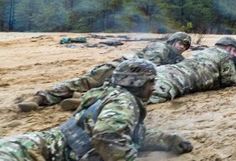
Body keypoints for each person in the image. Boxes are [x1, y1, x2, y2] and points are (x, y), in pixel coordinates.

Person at [0, 59, 193, 161]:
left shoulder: (112, 94)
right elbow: (107, 135)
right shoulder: (122, 101)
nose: (154, 88)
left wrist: (167, 140)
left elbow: (128, 133)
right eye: (151, 83)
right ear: (137, 83)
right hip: (33, 156)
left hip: (38, 152)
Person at [16, 32, 192, 112]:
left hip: (131, 73)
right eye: (180, 43)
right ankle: (41, 98)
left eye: (185, 46)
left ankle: (82, 98)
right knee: (87, 81)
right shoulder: (161, 48)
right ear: (172, 41)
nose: (182, 47)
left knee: (95, 86)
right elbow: (147, 66)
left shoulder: (177, 58)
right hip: (124, 67)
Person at [146, 36, 236, 104]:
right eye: (234, 51)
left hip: (166, 69)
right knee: (148, 96)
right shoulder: (225, 55)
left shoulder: (205, 51)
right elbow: (229, 81)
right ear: (227, 47)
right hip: (178, 79)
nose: (235, 55)